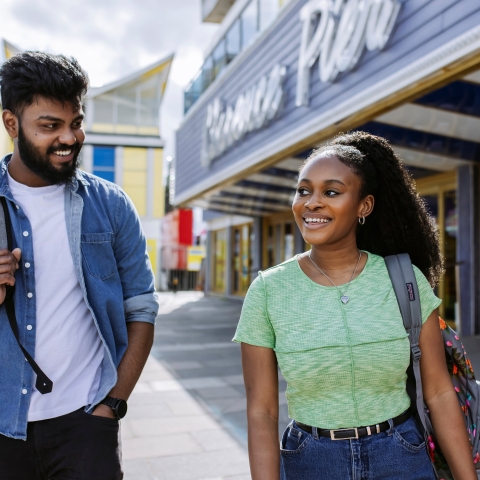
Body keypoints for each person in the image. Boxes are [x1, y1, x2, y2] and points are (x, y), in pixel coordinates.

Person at [234, 132, 477, 479]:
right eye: (304, 190)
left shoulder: (405, 281)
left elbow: (438, 393)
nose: (312, 202)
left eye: (331, 192)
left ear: (364, 206)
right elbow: (262, 411)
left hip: (402, 455)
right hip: (310, 461)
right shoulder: (268, 291)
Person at [0, 52, 158, 480]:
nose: (69, 138)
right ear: (11, 124)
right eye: (50, 126)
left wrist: (113, 404)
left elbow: (141, 308)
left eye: (76, 122)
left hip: (85, 423)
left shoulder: (110, 205)